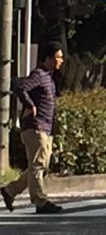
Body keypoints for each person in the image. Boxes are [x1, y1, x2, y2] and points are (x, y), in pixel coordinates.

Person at [4, 41, 66, 214]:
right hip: (35, 127)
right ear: (48, 58)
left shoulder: (49, 77)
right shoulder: (39, 75)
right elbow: (21, 87)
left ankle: (9, 191)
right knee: (37, 166)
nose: (61, 60)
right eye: (58, 57)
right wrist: (30, 106)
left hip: (44, 127)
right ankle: (40, 201)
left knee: (38, 166)